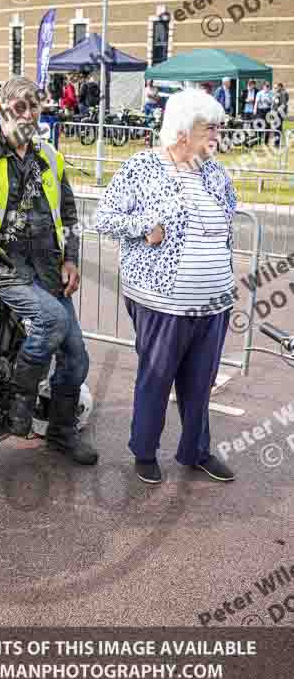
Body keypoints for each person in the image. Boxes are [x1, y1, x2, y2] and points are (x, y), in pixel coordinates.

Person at [0, 76, 97, 465]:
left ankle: (61, 434)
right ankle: (18, 403)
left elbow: (69, 215)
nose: (28, 114)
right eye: (19, 107)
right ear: (1, 108)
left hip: (48, 267)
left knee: (77, 359)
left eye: (35, 106)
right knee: (49, 320)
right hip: (0, 265)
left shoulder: (50, 156)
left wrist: (71, 259)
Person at [95, 88, 237, 484]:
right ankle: (144, 451)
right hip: (161, 301)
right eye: (210, 128)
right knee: (157, 377)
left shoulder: (216, 173)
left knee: (201, 381)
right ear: (181, 132)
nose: (218, 136)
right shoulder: (143, 166)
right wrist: (144, 228)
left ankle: (196, 451)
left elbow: (226, 224)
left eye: (219, 128)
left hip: (213, 302)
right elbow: (103, 217)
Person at [272, 81, 289, 147]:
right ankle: (277, 142)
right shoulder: (277, 93)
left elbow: (283, 104)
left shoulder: (283, 93)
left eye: (276, 87)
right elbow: (274, 103)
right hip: (276, 113)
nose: (275, 89)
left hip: (279, 113)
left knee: (277, 128)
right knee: (277, 128)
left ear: (280, 87)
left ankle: (277, 143)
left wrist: (278, 111)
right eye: (275, 88)